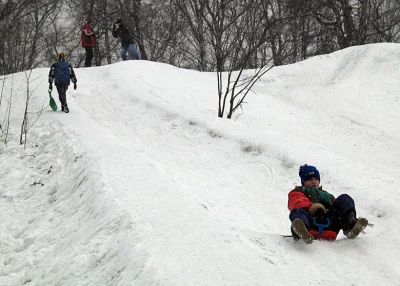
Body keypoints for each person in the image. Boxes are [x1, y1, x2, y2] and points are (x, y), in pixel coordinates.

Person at [288, 164, 368, 244]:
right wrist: (315, 208)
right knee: (297, 212)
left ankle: (350, 226)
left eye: (316, 179)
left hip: (329, 225)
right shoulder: (298, 191)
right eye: (310, 179)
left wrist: (328, 211)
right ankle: (302, 231)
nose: (313, 182)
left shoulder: (327, 195)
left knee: (345, 199)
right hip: (311, 223)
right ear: (303, 182)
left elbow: (340, 207)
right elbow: (298, 202)